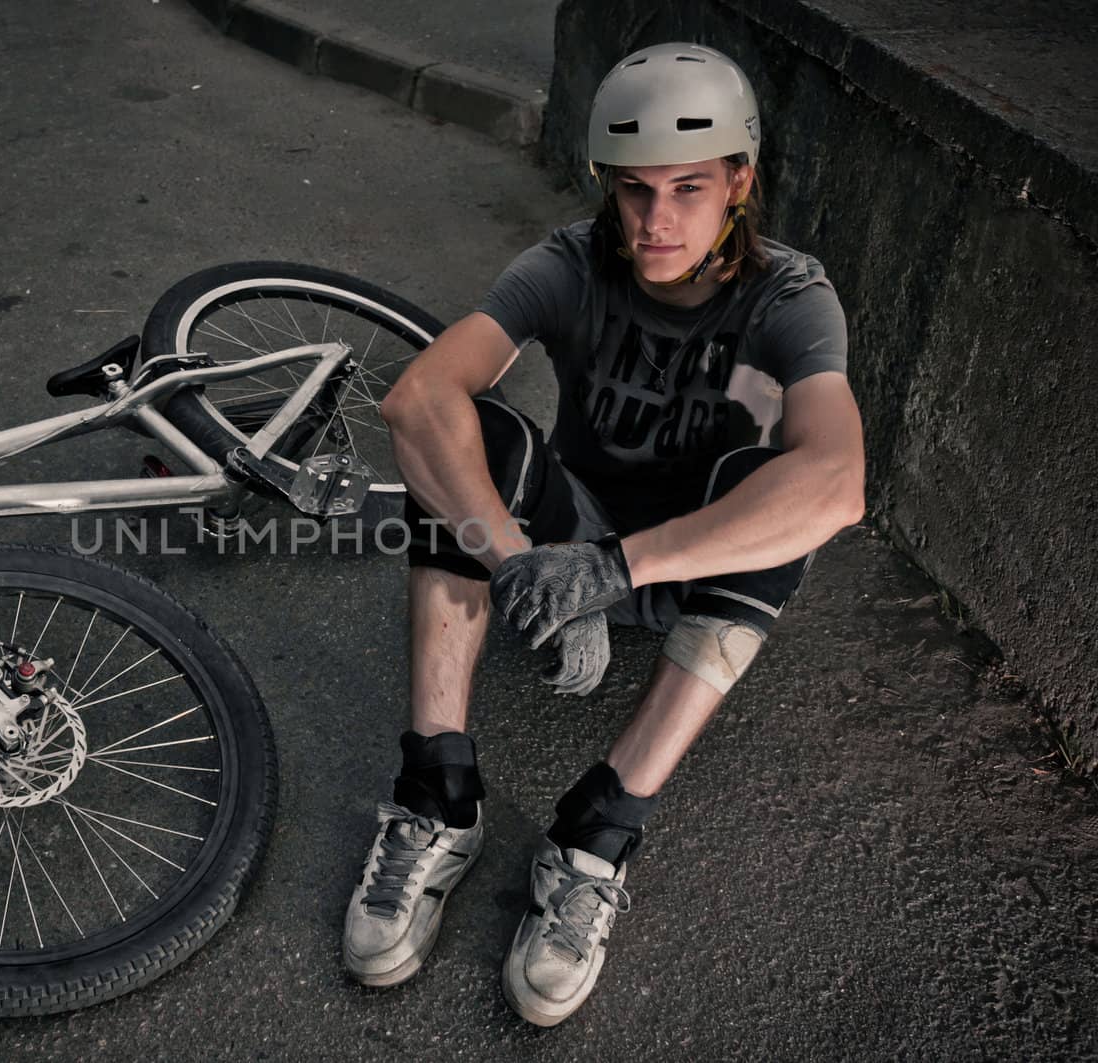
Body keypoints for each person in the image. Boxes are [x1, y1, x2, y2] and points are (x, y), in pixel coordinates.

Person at [340, 41, 866, 1026]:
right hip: (560, 535)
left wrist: (612, 569)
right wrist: (529, 569)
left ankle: (597, 831)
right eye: (633, 192)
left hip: (679, 561)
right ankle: (437, 789)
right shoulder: (570, 260)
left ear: (739, 182)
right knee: (466, 436)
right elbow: (417, 397)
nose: (655, 221)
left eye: (686, 189)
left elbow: (839, 482)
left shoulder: (790, 295)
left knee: (775, 489)